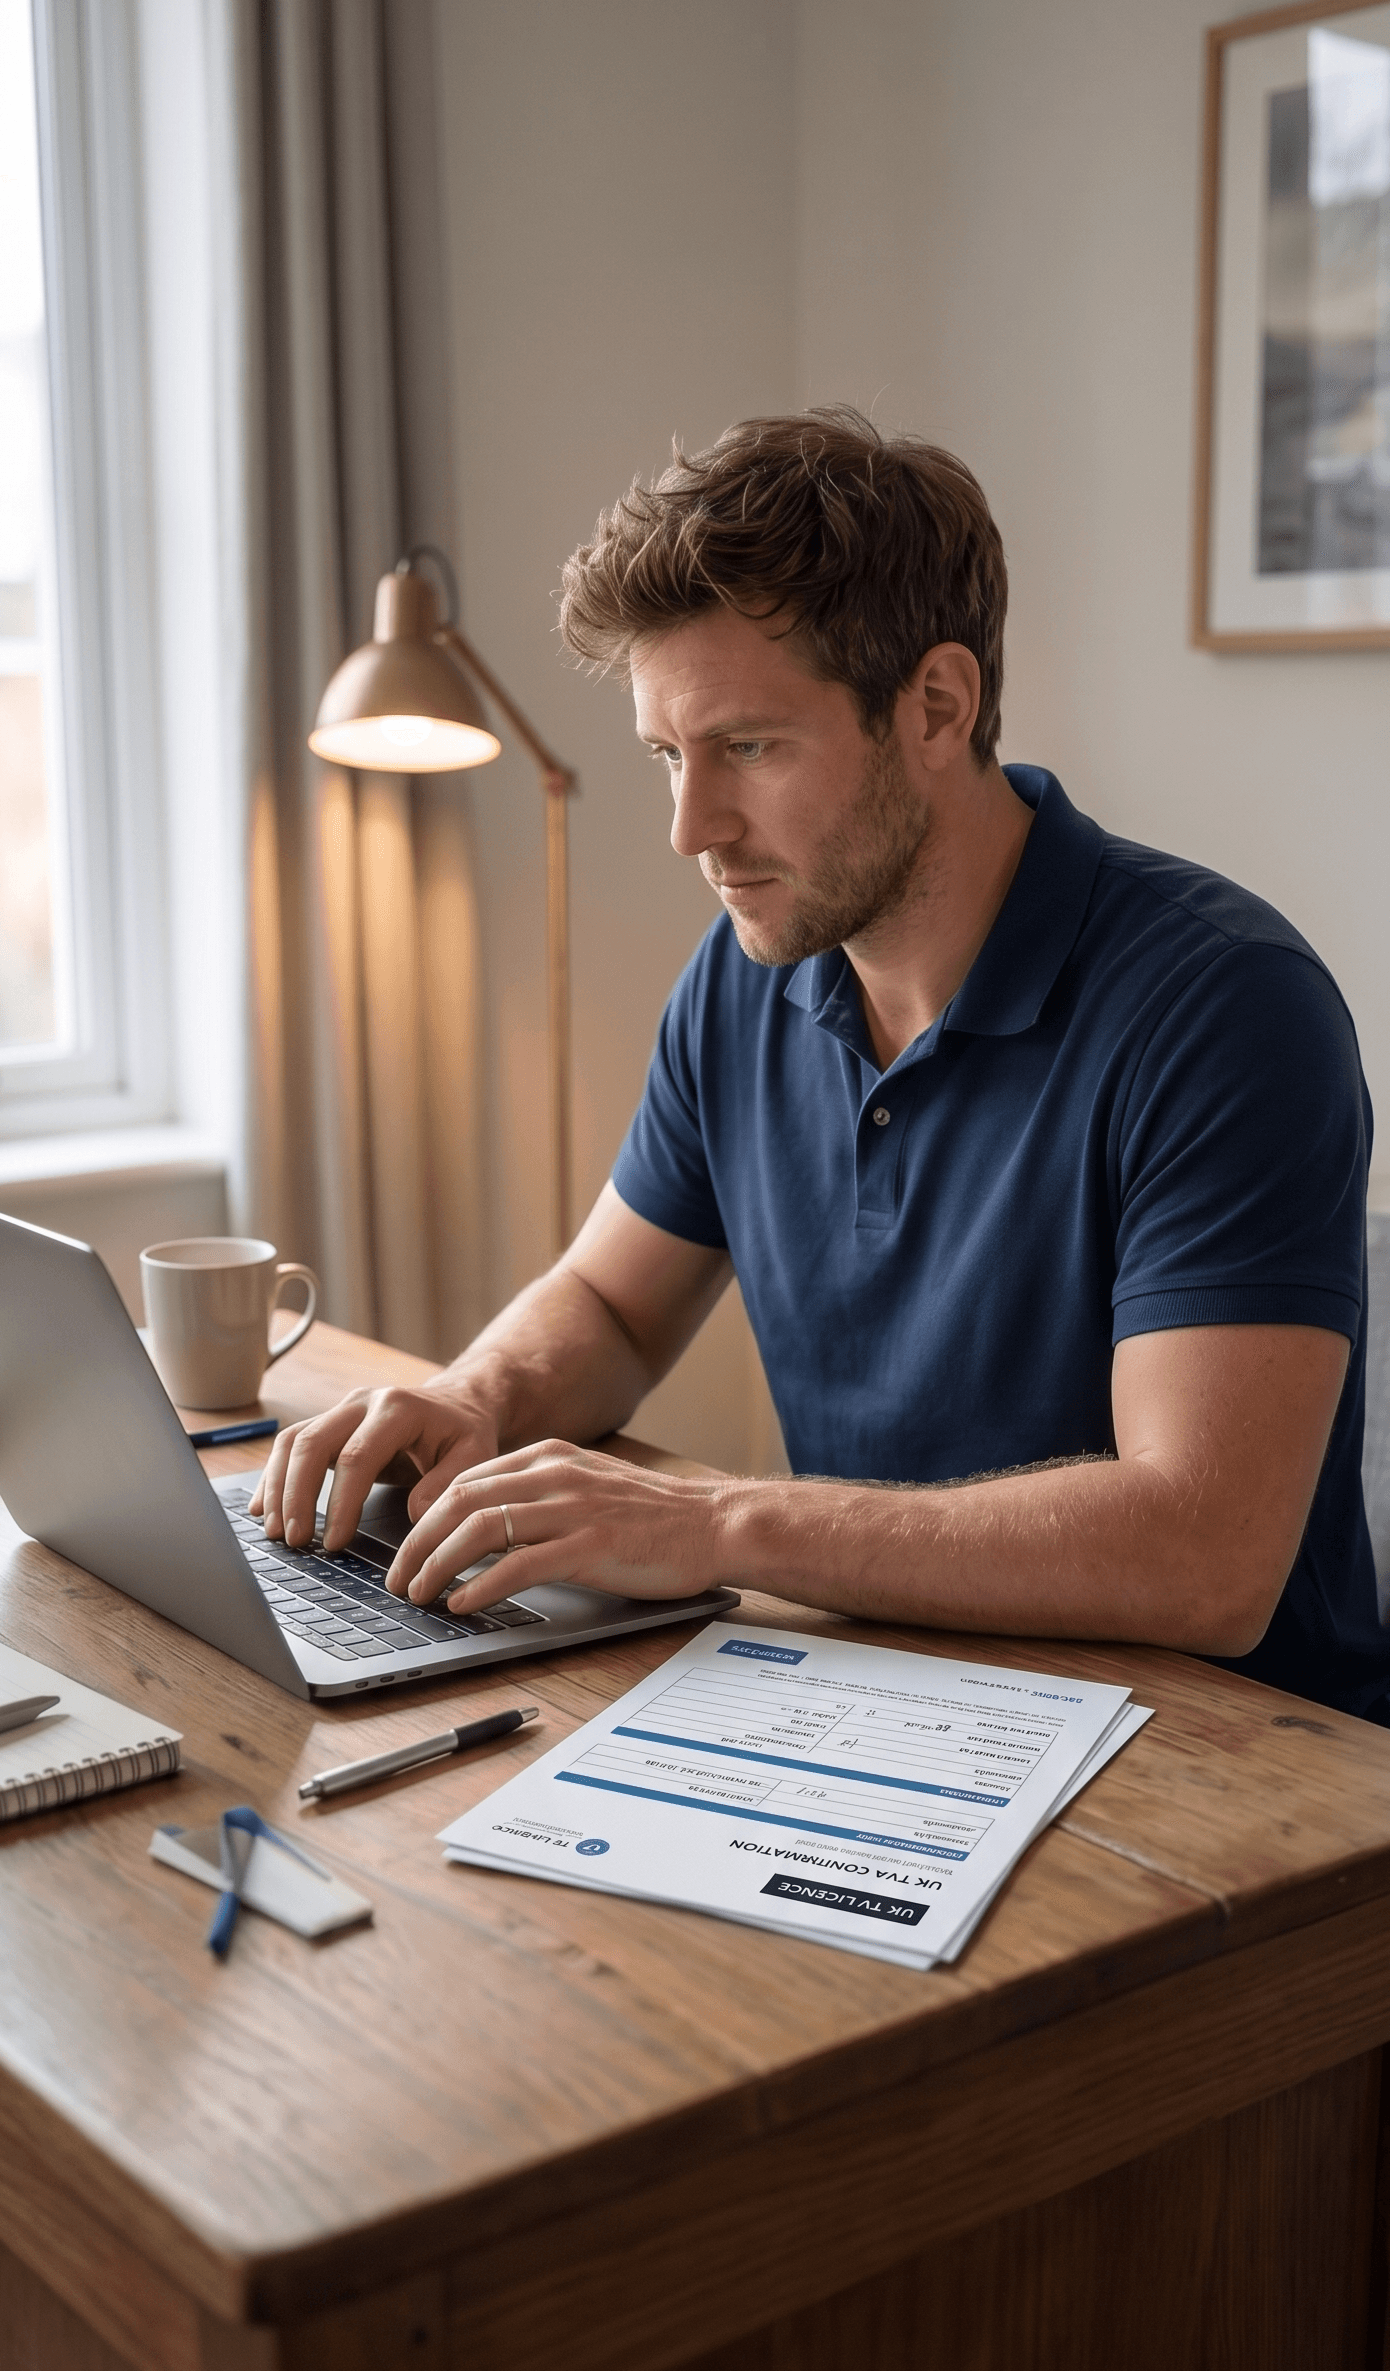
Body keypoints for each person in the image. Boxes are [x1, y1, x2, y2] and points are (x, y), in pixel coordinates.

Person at [254, 409, 1390, 1720]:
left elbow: (1203, 1558)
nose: (693, 827)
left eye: (748, 746)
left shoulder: (1224, 1007)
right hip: (881, 1697)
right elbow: (616, 1306)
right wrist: (473, 1397)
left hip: (1236, 1782)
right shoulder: (748, 974)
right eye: (669, 755)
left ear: (938, 705)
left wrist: (721, 1523)